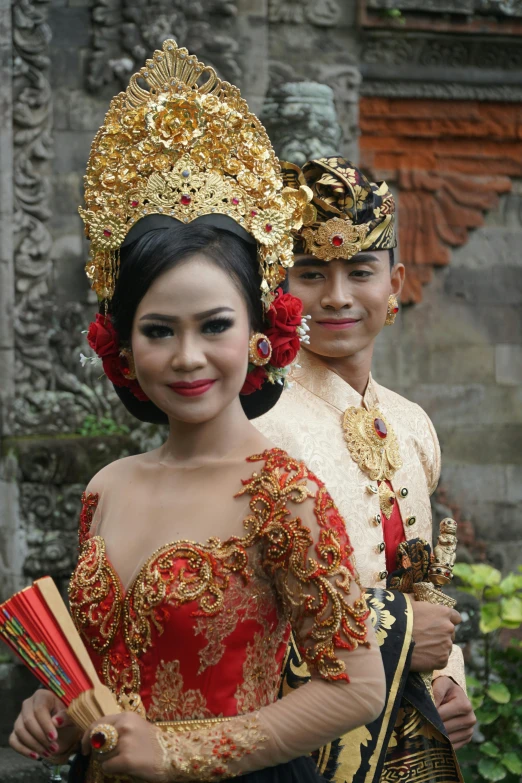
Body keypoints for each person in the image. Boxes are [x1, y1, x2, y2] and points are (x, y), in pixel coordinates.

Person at [8, 44, 386, 783]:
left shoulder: (283, 494)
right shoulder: (106, 486)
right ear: (123, 342)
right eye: (159, 330)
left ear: (259, 331)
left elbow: (358, 685)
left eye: (213, 326)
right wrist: (52, 704)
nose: (187, 357)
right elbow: (98, 663)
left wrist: (178, 750)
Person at [255, 158, 477, 783]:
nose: (337, 296)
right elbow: (254, 613)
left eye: (359, 271)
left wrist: (447, 680)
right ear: (280, 286)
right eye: (311, 274)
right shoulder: (260, 428)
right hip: (310, 738)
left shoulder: (413, 426)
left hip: (413, 732)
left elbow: (425, 588)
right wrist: (405, 634)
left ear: (396, 282)